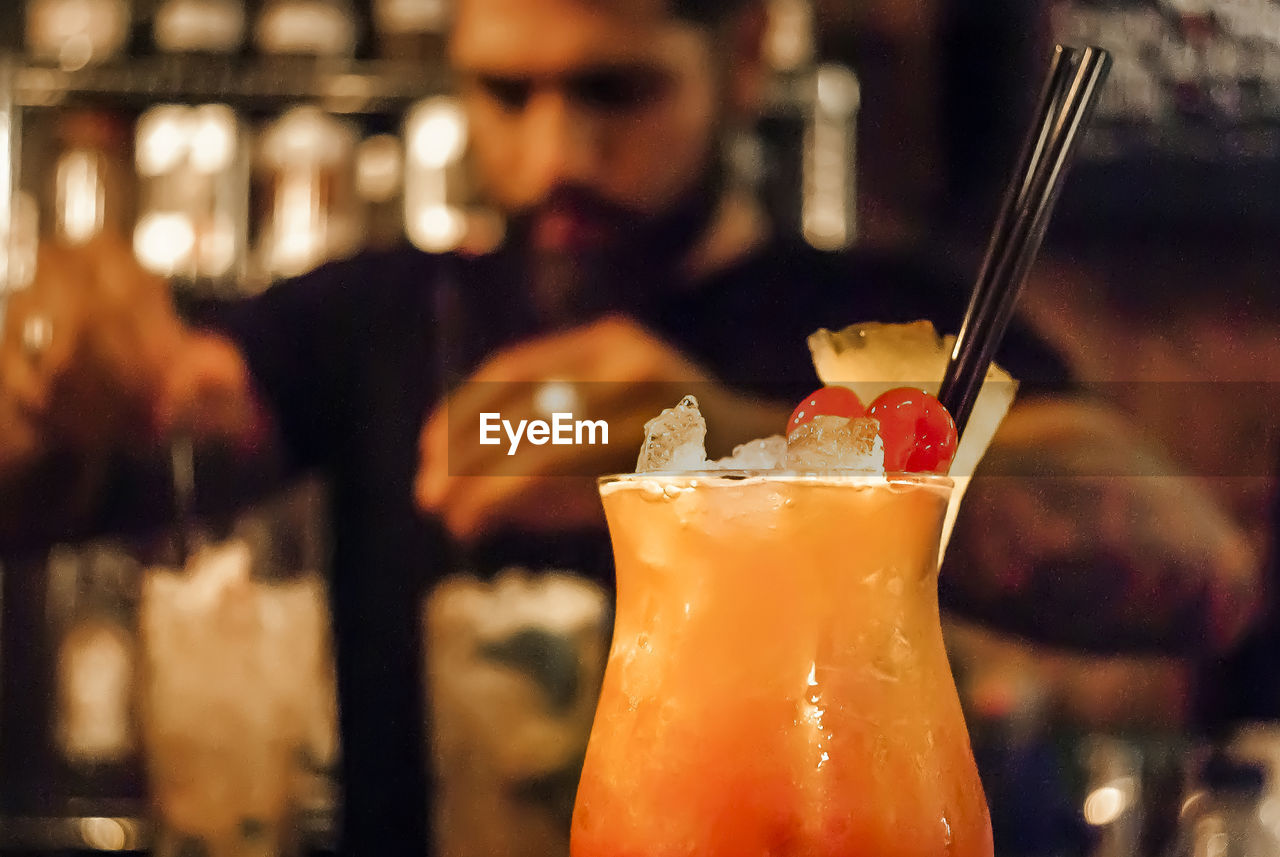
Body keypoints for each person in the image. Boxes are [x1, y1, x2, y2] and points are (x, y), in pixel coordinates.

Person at [0, 0, 1262, 854]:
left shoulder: (880, 322)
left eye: (613, 90)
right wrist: (58, 386)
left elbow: (1197, 574)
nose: (554, 152)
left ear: (748, 51)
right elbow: (104, 458)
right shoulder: (374, 315)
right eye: (503, 94)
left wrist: (746, 444)